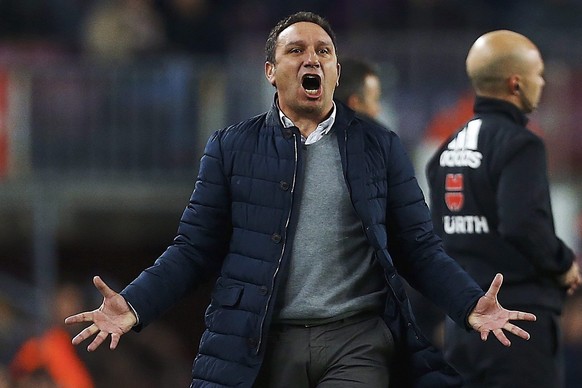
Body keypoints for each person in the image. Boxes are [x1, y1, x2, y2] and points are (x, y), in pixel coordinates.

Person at [65, 12, 537, 388]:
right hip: (262, 339)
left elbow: (419, 247)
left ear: (334, 72)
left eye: (323, 51)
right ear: (271, 71)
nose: (311, 58)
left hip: (357, 339)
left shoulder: (380, 147)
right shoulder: (230, 148)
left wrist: (470, 303)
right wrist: (134, 305)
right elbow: (192, 250)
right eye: (296, 50)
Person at [426, 30, 582, 387]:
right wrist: (563, 265)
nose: (541, 83)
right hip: (517, 324)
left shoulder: (445, 149)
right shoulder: (521, 144)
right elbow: (522, 223)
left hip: (464, 322)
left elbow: (435, 239)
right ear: (516, 83)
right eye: (538, 74)